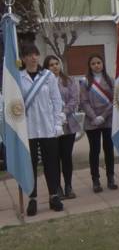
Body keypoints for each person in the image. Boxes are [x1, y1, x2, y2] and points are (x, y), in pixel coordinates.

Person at [20, 44, 64, 216]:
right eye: (28, 55)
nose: (33, 58)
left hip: (47, 127)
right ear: (23, 58)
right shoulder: (18, 76)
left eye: (35, 54)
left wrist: (57, 123)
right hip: (27, 129)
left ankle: (54, 196)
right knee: (29, 166)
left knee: (51, 163)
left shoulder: (47, 76)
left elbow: (56, 100)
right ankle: (32, 199)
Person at [43, 55, 79, 200]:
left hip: (67, 124)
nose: (55, 67)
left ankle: (68, 186)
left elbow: (74, 99)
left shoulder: (68, 80)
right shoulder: (43, 83)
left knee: (66, 157)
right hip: (51, 125)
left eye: (56, 63)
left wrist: (64, 112)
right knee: (54, 158)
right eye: (51, 65)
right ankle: (57, 187)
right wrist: (55, 115)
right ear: (46, 67)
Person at [80, 54, 118, 192]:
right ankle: (95, 180)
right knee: (94, 151)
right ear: (90, 66)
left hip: (107, 119)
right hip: (92, 121)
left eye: (99, 62)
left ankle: (111, 178)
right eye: (93, 63)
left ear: (103, 64)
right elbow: (83, 101)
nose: (96, 65)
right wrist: (94, 116)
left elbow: (115, 99)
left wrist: (103, 116)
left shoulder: (110, 81)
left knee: (108, 149)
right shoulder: (85, 82)